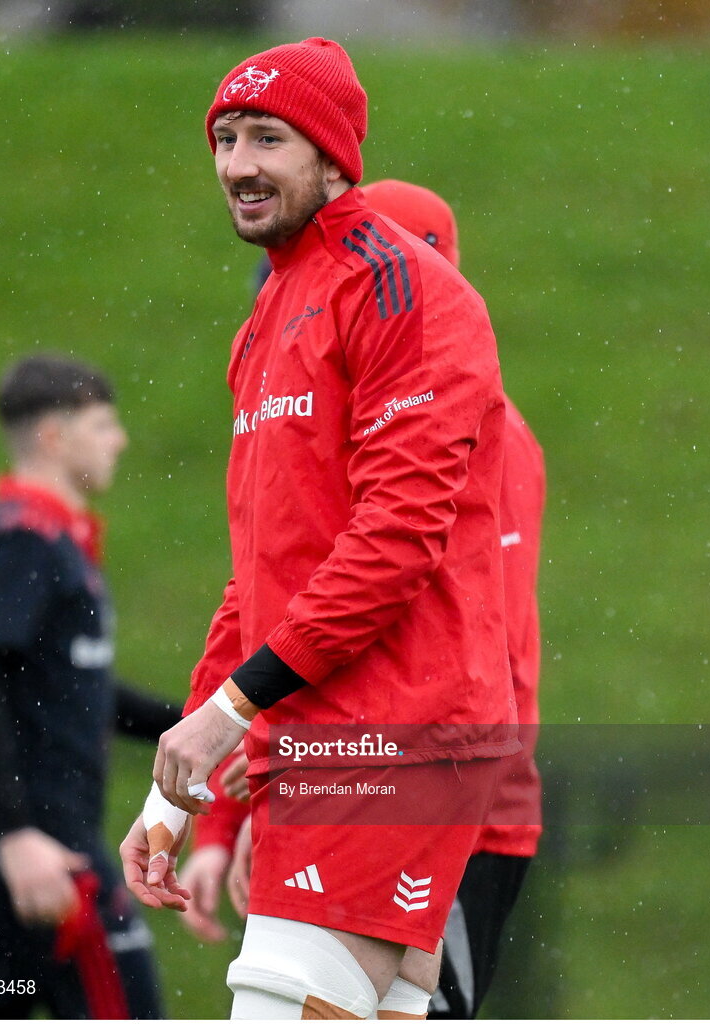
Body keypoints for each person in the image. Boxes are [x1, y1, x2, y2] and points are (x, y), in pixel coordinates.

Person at [121, 38, 519, 1020]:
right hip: (316, 737)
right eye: (223, 137)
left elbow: (395, 537)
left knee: (273, 1000)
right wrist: (180, 784)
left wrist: (234, 708)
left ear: (336, 156)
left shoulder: (403, 289)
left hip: (389, 735)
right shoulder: (266, 319)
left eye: (268, 136)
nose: (237, 162)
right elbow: (254, 573)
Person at [179, 180, 546, 1017]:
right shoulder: (347, 417)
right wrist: (239, 810)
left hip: (436, 782)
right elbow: (269, 591)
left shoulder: (482, 433)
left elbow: (474, 635)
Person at [0, 354, 182, 1019]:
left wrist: (203, 723)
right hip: (45, 857)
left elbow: (86, 693)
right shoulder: (24, 539)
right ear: (52, 436)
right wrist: (18, 835)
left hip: (16, 857)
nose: (120, 440)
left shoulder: (54, 542)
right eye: (103, 424)